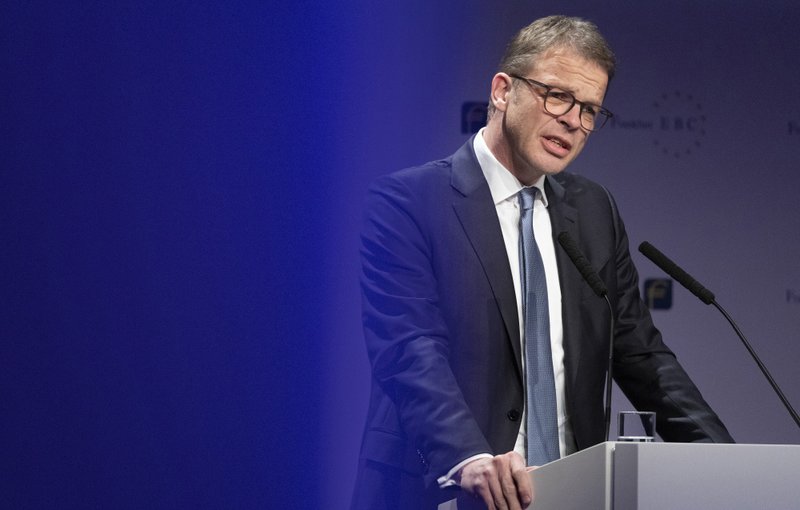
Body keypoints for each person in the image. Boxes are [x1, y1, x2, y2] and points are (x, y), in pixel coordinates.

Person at [351, 15, 733, 510]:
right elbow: (410, 349)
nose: (574, 121)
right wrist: (469, 457)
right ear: (503, 91)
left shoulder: (594, 211)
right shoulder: (409, 203)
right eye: (558, 97)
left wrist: (725, 460)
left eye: (591, 110)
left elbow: (642, 357)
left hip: (571, 496)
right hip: (444, 494)